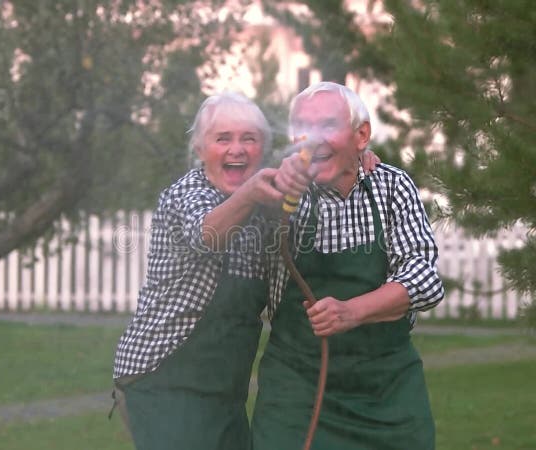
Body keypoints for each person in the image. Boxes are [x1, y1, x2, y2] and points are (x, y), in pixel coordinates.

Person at [252, 82, 445, 450]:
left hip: (384, 388)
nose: (312, 139)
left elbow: (424, 278)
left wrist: (352, 312)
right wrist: (278, 189)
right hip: (296, 390)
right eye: (302, 128)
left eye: (327, 126)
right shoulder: (278, 190)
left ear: (362, 135)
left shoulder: (392, 186)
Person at [111, 92, 283, 450]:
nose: (237, 149)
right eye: (223, 139)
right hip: (162, 383)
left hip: (224, 392)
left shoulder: (265, 206)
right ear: (201, 149)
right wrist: (251, 193)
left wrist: (357, 162)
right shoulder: (186, 194)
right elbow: (207, 235)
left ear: (262, 150)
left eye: (249, 139)